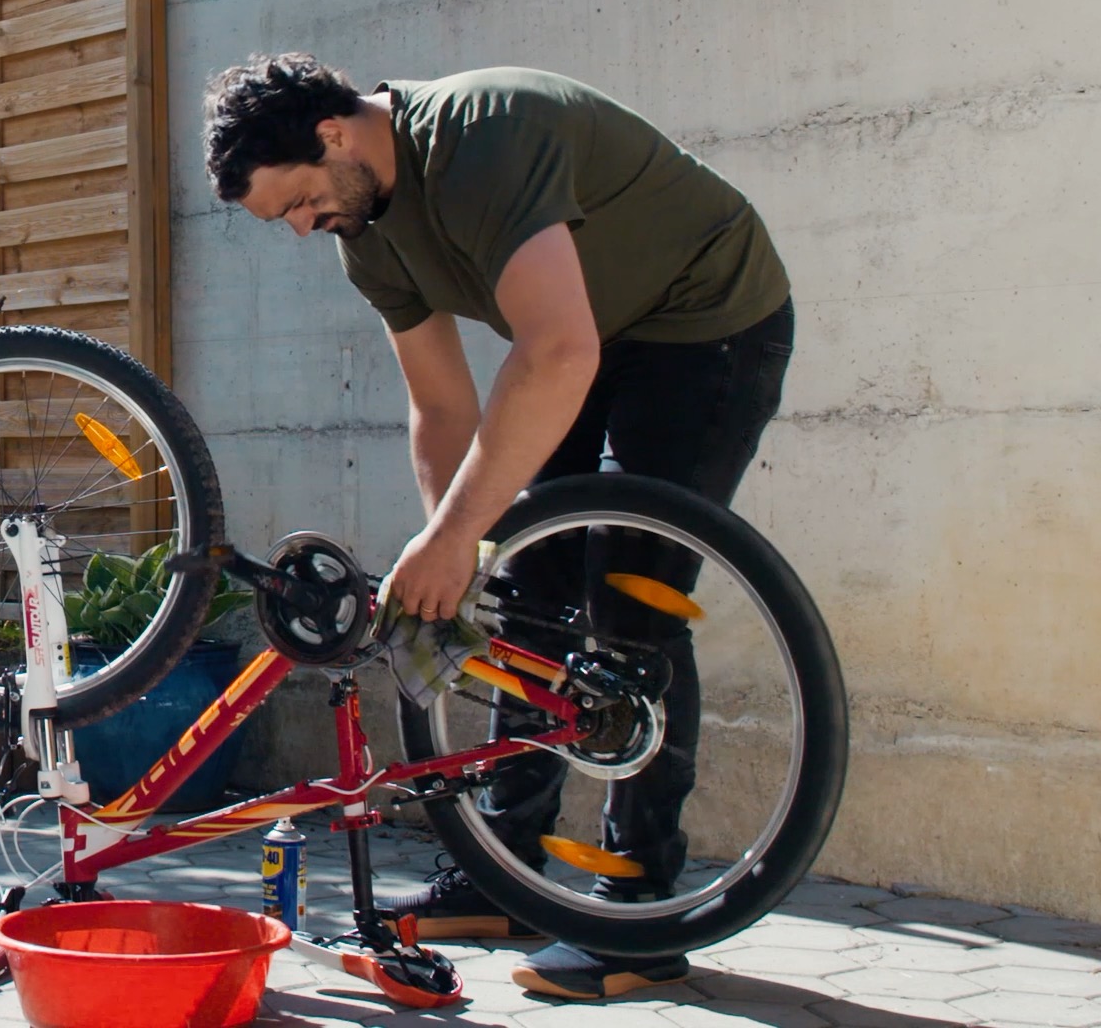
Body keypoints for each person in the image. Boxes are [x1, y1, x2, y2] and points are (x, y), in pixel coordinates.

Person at [202, 53, 794, 1000]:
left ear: (333, 135)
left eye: (299, 203)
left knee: (630, 599)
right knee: (526, 592)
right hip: (587, 331)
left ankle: (638, 919)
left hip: (705, 320)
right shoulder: (368, 235)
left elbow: (557, 349)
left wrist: (453, 540)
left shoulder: (482, 136)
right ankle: (508, 876)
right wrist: (461, 547)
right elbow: (441, 409)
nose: (305, 228)